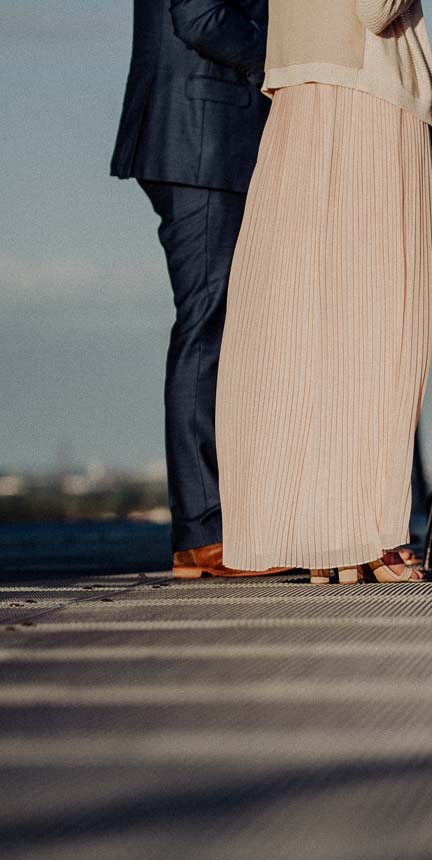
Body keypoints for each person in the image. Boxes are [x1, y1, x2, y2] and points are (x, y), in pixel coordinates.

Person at [214, 0, 432, 584]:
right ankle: (368, 531)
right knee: (375, 315)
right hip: (367, 90)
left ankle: (324, 533)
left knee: (301, 315)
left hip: (298, 90)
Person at [112, 0, 286, 581]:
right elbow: (200, 15)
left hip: (201, 135)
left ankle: (214, 524)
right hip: (201, 138)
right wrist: (282, 58)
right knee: (208, 327)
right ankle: (204, 530)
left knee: (221, 327)